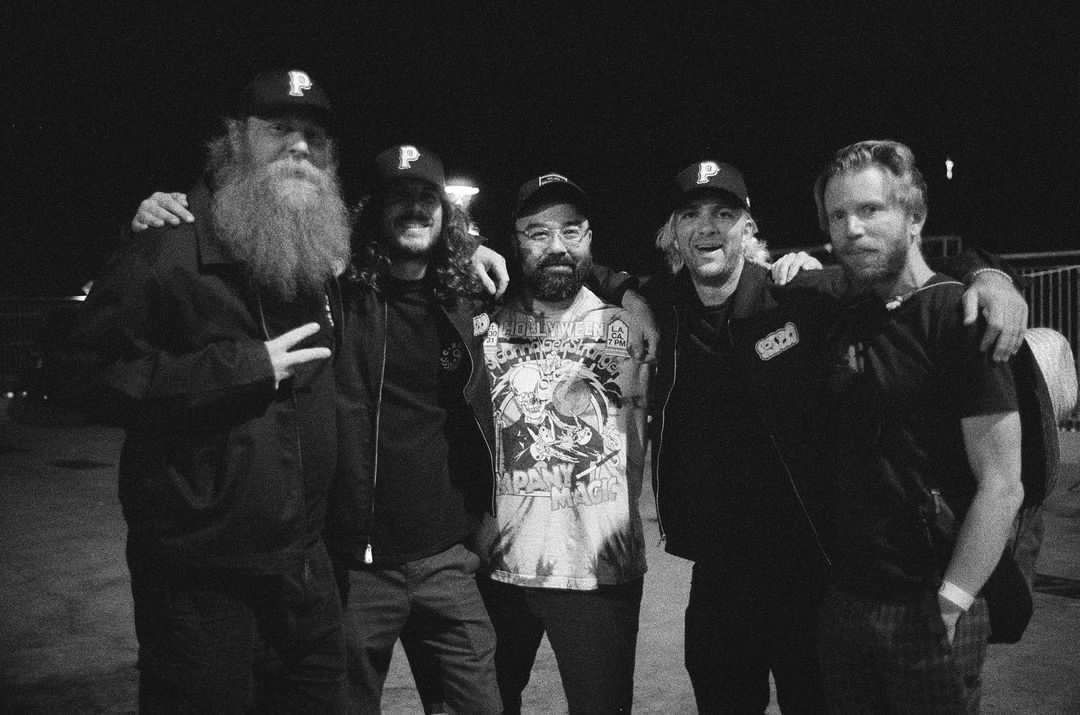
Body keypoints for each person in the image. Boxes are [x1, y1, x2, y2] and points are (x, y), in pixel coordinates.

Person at [645, 159, 1028, 713]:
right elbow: (603, 282)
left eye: (724, 214)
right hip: (719, 579)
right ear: (673, 232)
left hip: (813, 576)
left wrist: (989, 274)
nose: (707, 227)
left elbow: (899, 269)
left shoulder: (804, 295)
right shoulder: (662, 307)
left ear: (748, 228)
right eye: (691, 215)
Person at [71, 68, 349, 713]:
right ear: (234, 142)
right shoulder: (167, 244)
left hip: (304, 571)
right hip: (200, 579)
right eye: (278, 129)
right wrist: (245, 367)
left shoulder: (320, 253)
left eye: (312, 135)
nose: (300, 147)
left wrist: (467, 246)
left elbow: (410, 260)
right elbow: (80, 372)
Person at [814, 140, 1023, 712]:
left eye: (871, 210)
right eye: (838, 215)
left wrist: (951, 603)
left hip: (930, 602)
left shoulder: (960, 316)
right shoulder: (844, 316)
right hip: (849, 600)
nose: (852, 229)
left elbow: (1003, 484)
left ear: (916, 217)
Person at [475, 173, 651, 714]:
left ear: (591, 237)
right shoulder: (479, 321)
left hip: (599, 571)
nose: (557, 247)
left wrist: (792, 271)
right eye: (537, 232)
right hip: (496, 569)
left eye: (571, 231)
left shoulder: (633, 318)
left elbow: (719, 286)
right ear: (514, 241)